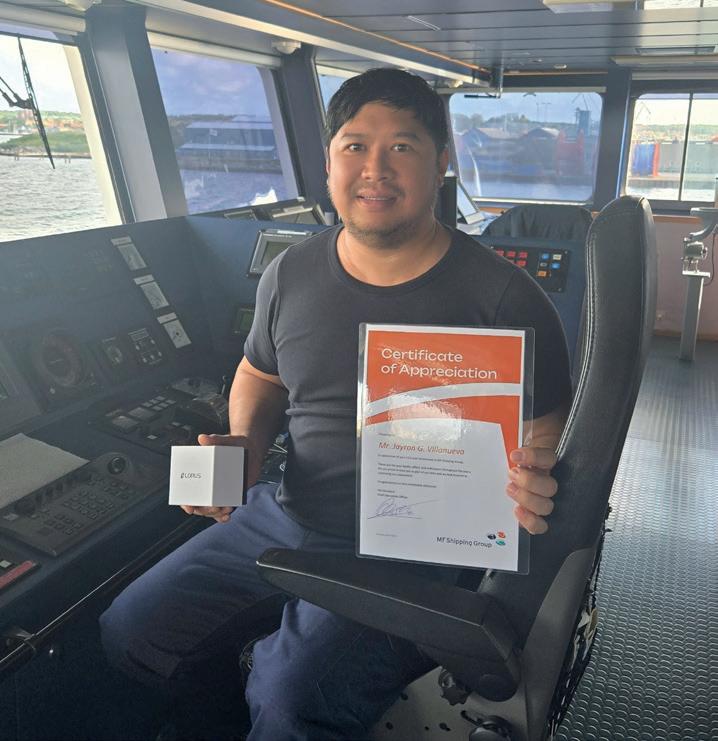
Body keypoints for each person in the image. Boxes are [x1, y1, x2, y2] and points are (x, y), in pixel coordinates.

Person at [100, 68, 571, 740]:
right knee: (132, 629)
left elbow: (550, 427)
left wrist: (536, 472)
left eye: (402, 146)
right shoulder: (291, 273)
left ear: (441, 162)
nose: (375, 169)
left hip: (416, 549)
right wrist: (247, 444)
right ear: (328, 164)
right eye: (355, 146)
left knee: (290, 698)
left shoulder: (504, 299)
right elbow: (259, 374)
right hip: (288, 514)